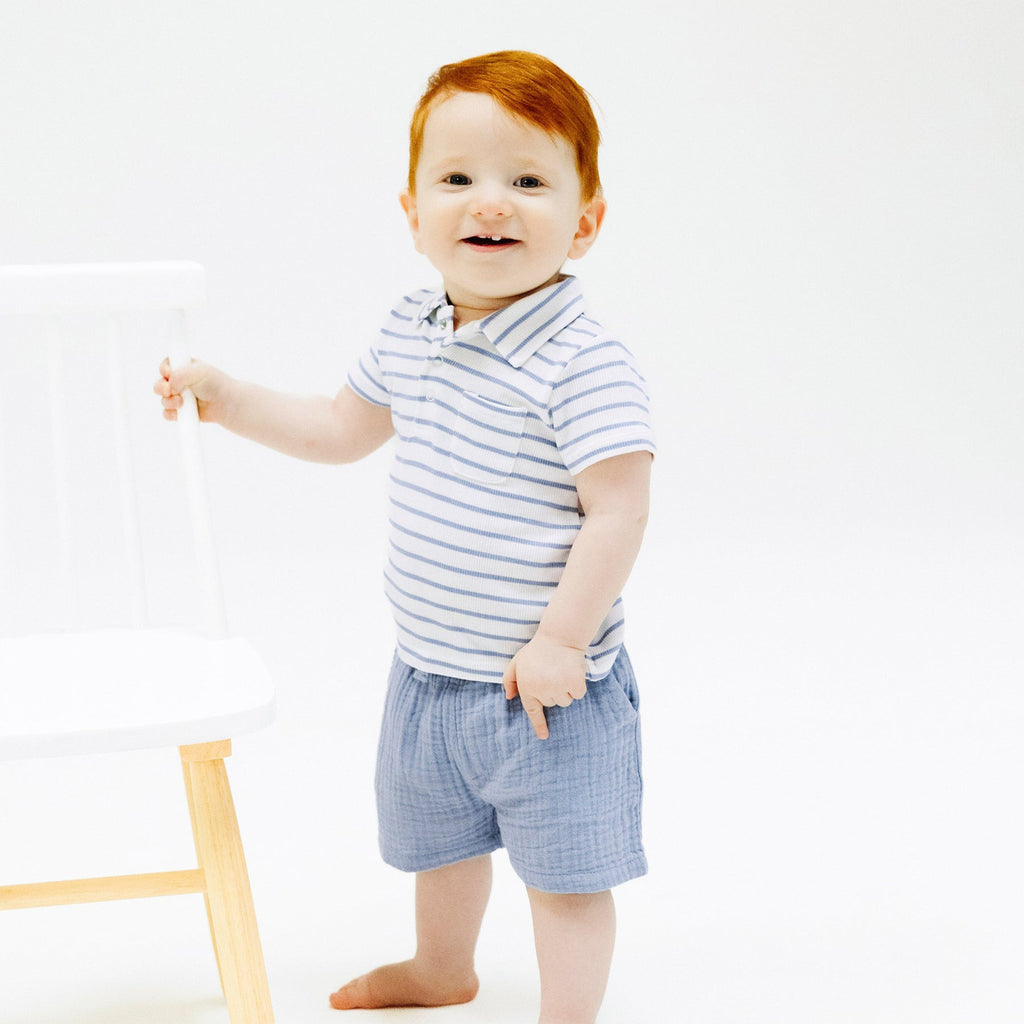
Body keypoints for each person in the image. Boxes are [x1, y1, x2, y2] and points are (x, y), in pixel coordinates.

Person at [156, 50, 655, 1024]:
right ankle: (442, 966)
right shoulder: (410, 326)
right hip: (429, 673)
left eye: (528, 180)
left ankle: (570, 1015)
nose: (490, 203)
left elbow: (619, 510)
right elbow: (341, 430)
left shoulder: (582, 360)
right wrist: (226, 397)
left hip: (547, 686)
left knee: (563, 873)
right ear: (412, 210)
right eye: (459, 179)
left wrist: (559, 639)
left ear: (584, 221)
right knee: (440, 842)